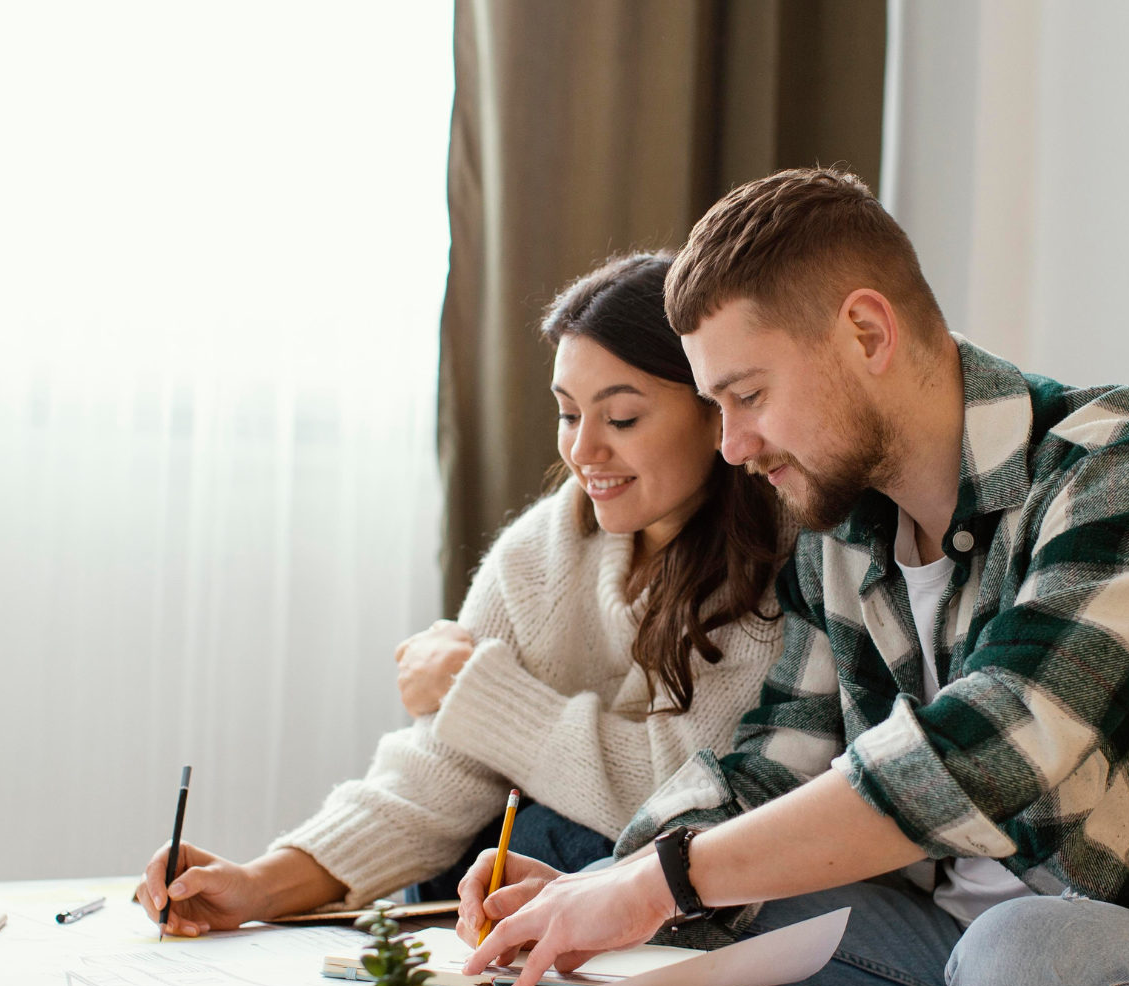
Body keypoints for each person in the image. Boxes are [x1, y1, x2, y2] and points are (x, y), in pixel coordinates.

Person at [455, 171, 1129, 986]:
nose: (732, 446)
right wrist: (608, 884)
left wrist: (656, 883)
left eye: (747, 396)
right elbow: (774, 762)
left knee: (1021, 955)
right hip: (944, 952)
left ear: (865, 331)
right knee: (708, 918)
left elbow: (986, 755)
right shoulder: (842, 539)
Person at [133, 252, 785, 933]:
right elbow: (440, 771)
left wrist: (471, 691)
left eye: (620, 419)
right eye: (567, 415)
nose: (584, 451)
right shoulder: (541, 552)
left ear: (715, 415)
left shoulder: (770, 563)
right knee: (459, 862)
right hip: (565, 871)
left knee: (537, 842)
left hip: (677, 881)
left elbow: (677, 796)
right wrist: (260, 883)